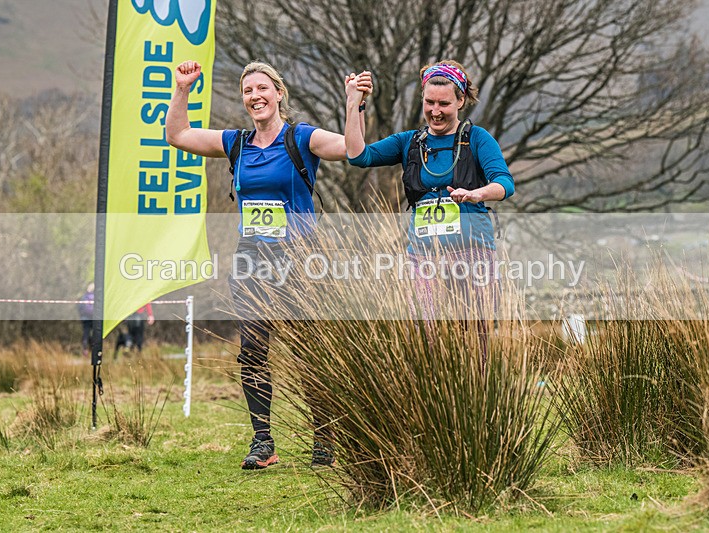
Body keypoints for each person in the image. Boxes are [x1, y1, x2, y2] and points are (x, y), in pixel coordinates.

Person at [166, 60, 372, 470]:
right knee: (253, 351)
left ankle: (324, 439)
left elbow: (353, 151)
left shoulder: (302, 138)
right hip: (251, 259)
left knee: (311, 353)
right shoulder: (237, 143)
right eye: (247, 91)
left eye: (262, 88)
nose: (255, 96)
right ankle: (263, 442)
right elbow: (179, 135)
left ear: (279, 93)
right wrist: (183, 89)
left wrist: (354, 105)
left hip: (299, 259)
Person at [344, 60, 514, 353]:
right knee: (426, 335)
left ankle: (475, 394)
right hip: (423, 255)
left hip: (471, 250)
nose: (435, 111)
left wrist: (476, 194)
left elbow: (504, 184)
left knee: (474, 336)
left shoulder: (477, 139)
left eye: (444, 104)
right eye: (429, 102)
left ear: (460, 101)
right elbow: (359, 156)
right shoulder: (409, 142)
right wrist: (354, 104)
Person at [77, 282, 95, 357]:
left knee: (86, 333)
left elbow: (80, 308)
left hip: (85, 318)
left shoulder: (84, 296)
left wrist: (82, 315)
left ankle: (85, 349)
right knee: (95, 334)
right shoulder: (97, 296)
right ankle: (93, 349)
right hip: (94, 318)